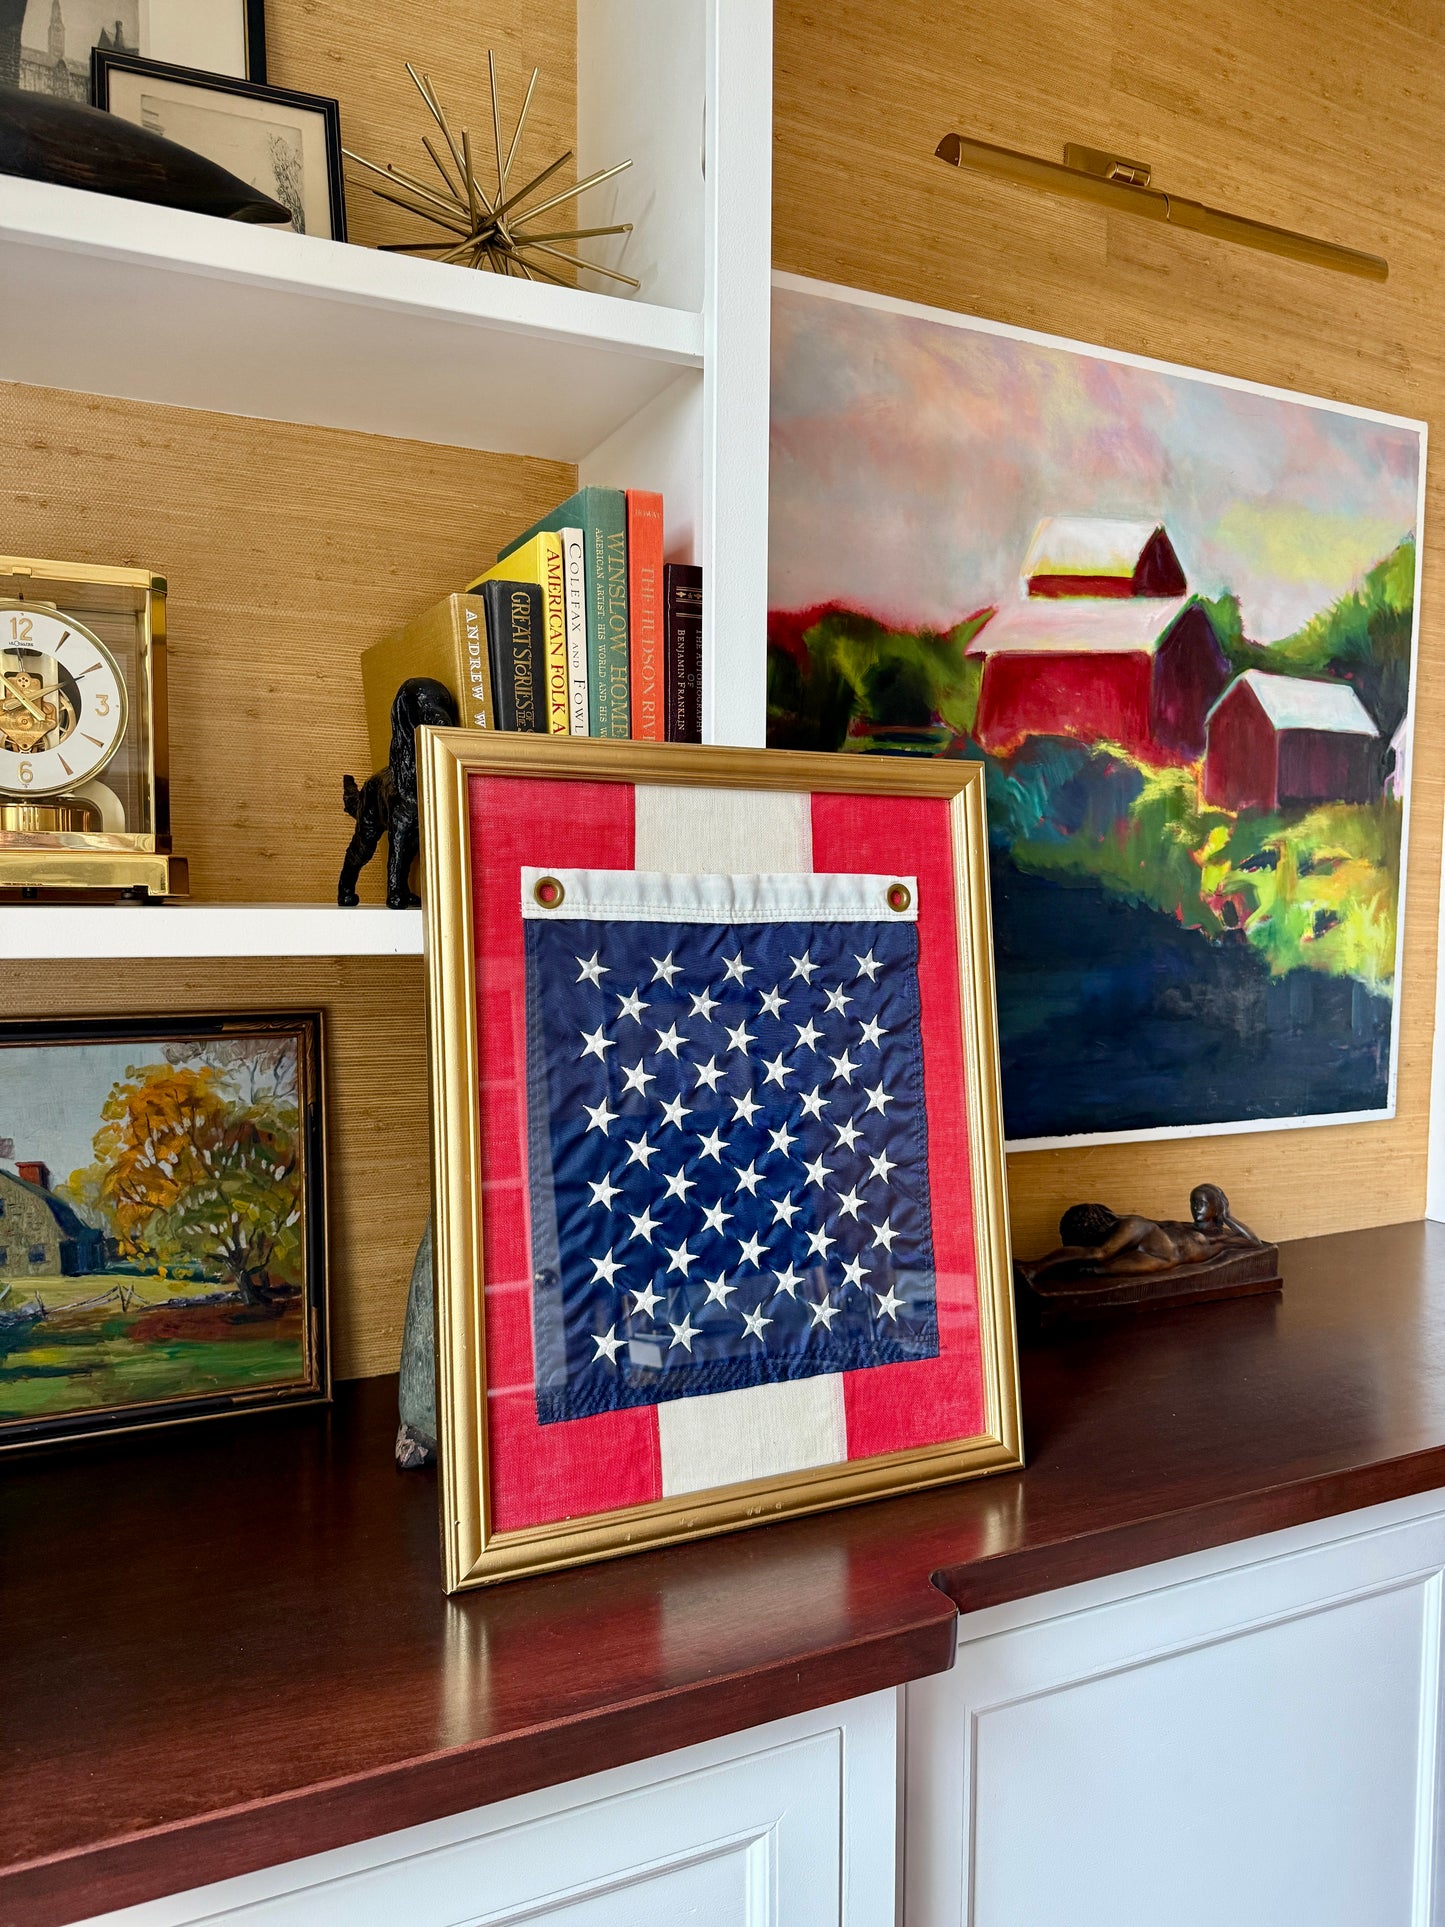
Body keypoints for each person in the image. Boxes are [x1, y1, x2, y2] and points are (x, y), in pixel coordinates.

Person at [1025, 1185, 1259, 1280]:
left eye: (1203, 1203)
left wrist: (1228, 1217)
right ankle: (1034, 1267)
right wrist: (1116, 1218)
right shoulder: (1181, 1225)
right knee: (1099, 1253)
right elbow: (1148, 1223)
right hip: (1150, 1236)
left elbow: (1255, 1244)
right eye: (1193, 1202)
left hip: (1161, 1257)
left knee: (1095, 1270)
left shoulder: (1220, 1238)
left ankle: (1043, 1273)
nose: (1195, 1208)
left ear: (1216, 1207)